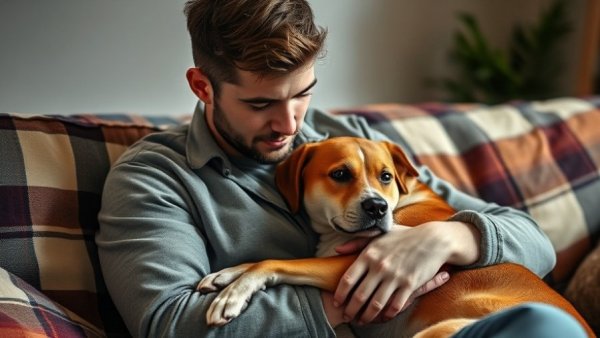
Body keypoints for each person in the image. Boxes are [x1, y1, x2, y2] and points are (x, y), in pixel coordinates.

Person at [95, 0, 587, 337]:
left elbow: (534, 242)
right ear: (203, 87)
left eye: (302, 94)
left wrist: (442, 240)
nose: (288, 124)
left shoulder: (355, 143)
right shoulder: (155, 178)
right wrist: (356, 294)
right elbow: (170, 323)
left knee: (548, 328)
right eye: (261, 103)